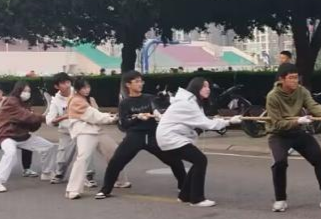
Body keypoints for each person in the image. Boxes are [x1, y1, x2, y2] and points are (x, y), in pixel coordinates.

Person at [264, 62, 321, 212]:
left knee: (319, 158)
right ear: (282, 79)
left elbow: (313, 105)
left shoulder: (301, 91)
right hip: (278, 134)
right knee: (280, 163)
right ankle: (280, 199)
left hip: (297, 132)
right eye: (291, 78)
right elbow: (278, 123)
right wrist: (298, 121)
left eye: (296, 78)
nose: (295, 81)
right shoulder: (272, 96)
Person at [96, 71, 185, 200]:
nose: (140, 84)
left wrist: (163, 104)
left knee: (174, 160)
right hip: (134, 136)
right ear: (128, 84)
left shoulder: (150, 98)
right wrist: (138, 117)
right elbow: (124, 124)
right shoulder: (125, 103)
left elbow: (160, 110)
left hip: (153, 135)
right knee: (116, 162)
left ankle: (183, 186)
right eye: (136, 81)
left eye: (141, 81)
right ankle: (105, 190)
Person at [156, 77, 242, 207]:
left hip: (172, 137)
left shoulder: (192, 102)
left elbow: (201, 121)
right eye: (204, 86)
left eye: (208, 86)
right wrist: (229, 122)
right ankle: (197, 199)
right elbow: (206, 123)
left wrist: (222, 120)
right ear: (196, 88)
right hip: (171, 137)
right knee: (200, 160)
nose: (208, 89)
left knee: (198, 161)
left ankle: (184, 196)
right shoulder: (187, 103)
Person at [0, 81, 56, 193]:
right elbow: (25, 116)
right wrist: (45, 118)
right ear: (18, 90)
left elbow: (32, 126)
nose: (27, 93)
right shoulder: (11, 101)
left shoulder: (25, 105)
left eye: (28, 91)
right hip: (6, 135)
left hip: (22, 136)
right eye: (24, 90)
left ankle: (47, 172)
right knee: (10, 153)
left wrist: (41, 120)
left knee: (48, 147)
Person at [63, 77, 122, 200]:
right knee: (83, 159)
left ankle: (120, 180)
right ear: (78, 89)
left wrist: (110, 116)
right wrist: (111, 118)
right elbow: (93, 116)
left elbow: (96, 114)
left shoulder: (87, 99)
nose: (87, 90)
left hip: (95, 130)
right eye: (83, 88)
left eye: (88, 87)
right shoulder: (76, 100)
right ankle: (73, 189)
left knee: (114, 152)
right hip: (85, 132)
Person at [45, 73, 91, 186]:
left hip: (81, 129)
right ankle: (59, 174)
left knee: (85, 152)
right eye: (63, 83)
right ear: (57, 86)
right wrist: (63, 117)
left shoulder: (78, 93)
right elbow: (49, 120)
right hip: (66, 131)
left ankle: (88, 176)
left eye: (68, 82)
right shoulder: (56, 101)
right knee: (63, 157)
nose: (67, 85)